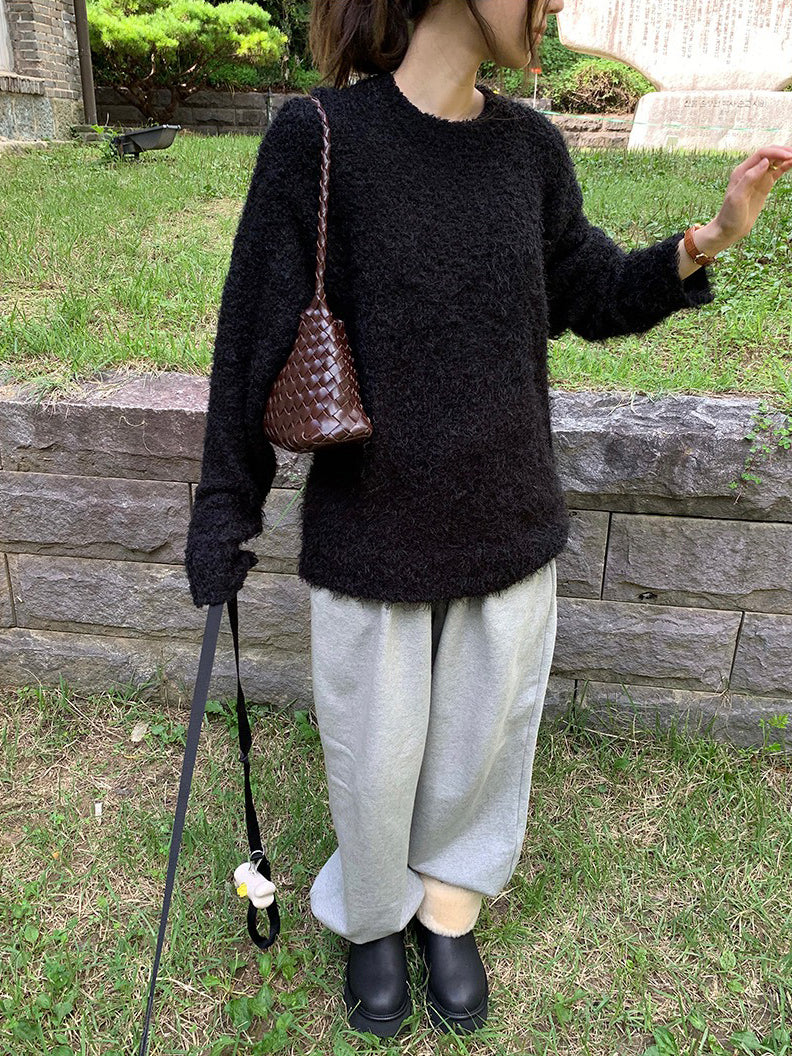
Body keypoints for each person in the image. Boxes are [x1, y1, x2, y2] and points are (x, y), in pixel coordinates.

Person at [184, 0, 792, 1039]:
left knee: (480, 746)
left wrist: (710, 239)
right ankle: (375, 912)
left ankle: (449, 906)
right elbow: (253, 337)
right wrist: (224, 510)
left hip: (508, 520)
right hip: (372, 533)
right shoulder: (319, 140)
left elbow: (589, 290)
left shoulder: (528, 148)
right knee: (377, 760)